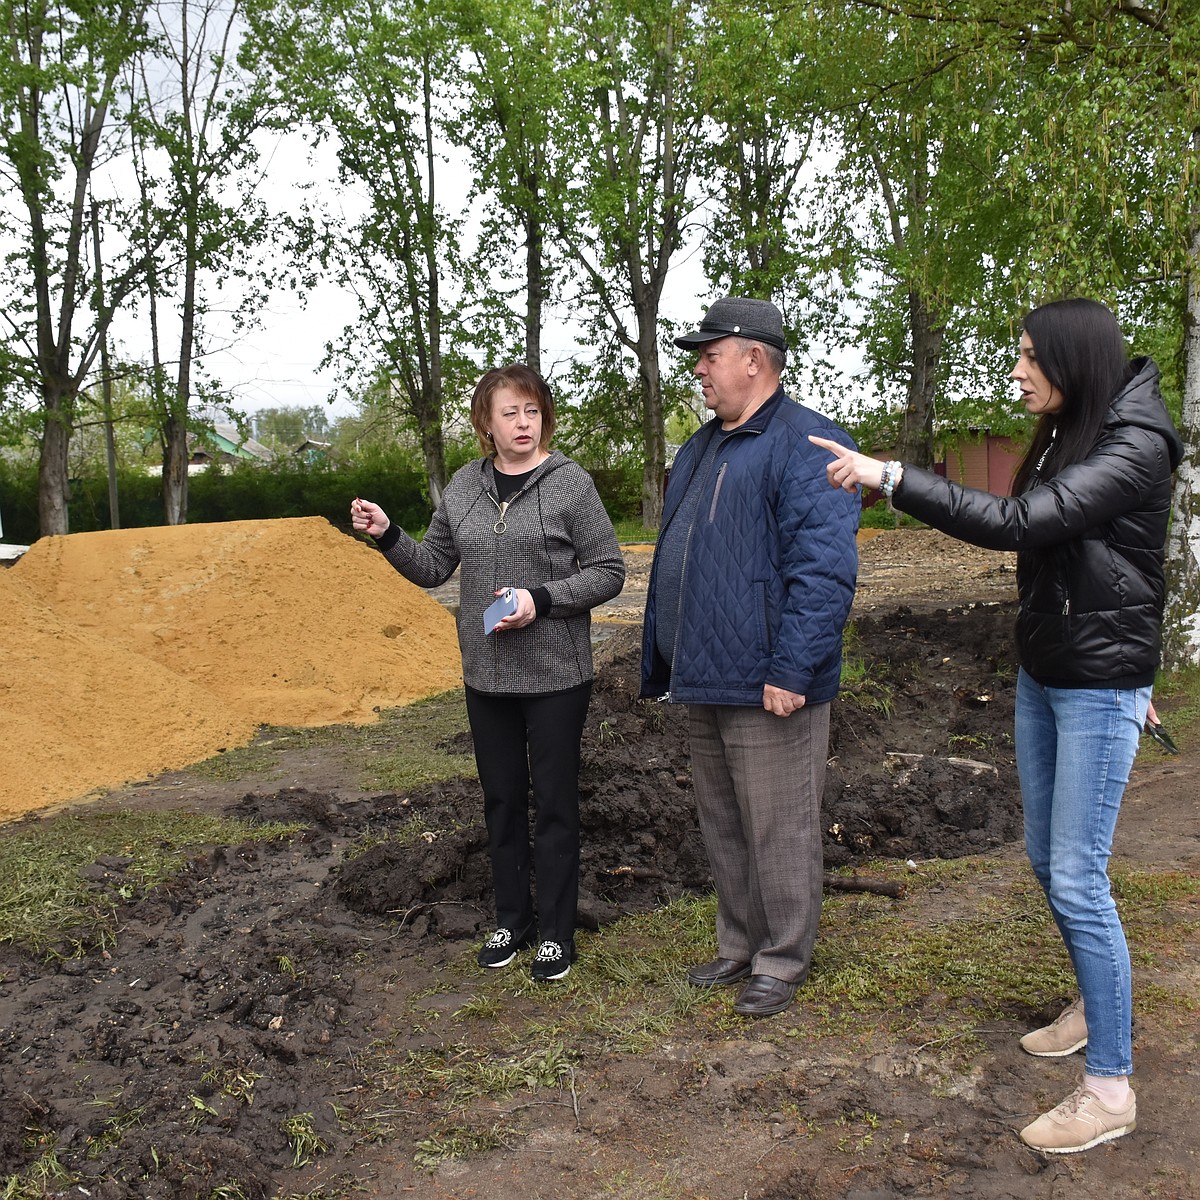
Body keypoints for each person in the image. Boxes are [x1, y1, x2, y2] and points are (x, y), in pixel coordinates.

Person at [811, 297, 1183, 1153]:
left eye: (1026, 356)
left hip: (1094, 689)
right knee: (1046, 859)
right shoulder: (1071, 431)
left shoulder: (1133, 445)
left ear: (1070, 360)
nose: (1015, 369)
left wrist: (892, 476)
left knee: (1080, 877)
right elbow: (1101, 567)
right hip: (1048, 677)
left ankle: (1110, 1086)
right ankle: (1098, 1002)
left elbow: (1024, 527)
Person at [351, 365, 625, 982]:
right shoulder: (465, 488)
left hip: (556, 675)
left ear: (543, 417)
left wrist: (542, 600)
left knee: (552, 803)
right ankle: (513, 918)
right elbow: (432, 567)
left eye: (532, 411)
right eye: (510, 413)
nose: (523, 424)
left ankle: (556, 932)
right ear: (486, 423)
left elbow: (610, 571)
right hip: (488, 676)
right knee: (501, 800)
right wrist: (388, 533)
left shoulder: (570, 485)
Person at [641, 296, 860, 1018]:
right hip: (706, 672)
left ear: (753, 359)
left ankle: (782, 957)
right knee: (725, 821)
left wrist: (793, 670)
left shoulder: (807, 444)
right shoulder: (703, 446)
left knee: (779, 823)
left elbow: (823, 572)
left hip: (770, 679)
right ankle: (739, 943)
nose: (699, 369)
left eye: (710, 355)